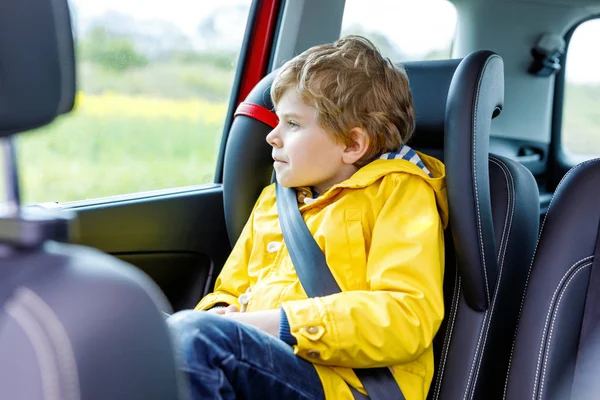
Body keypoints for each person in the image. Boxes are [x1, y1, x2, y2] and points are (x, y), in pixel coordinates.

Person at [167, 35, 448, 400]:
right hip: (266, 363)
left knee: (195, 337)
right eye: (277, 122)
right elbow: (229, 288)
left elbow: (405, 315)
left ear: (352, 144)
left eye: (293, 125)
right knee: (142, 331)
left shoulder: (399, 193)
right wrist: (223, 310)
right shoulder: (273, 202)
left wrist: (278, 325)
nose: (272, 136)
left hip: (348, 386)